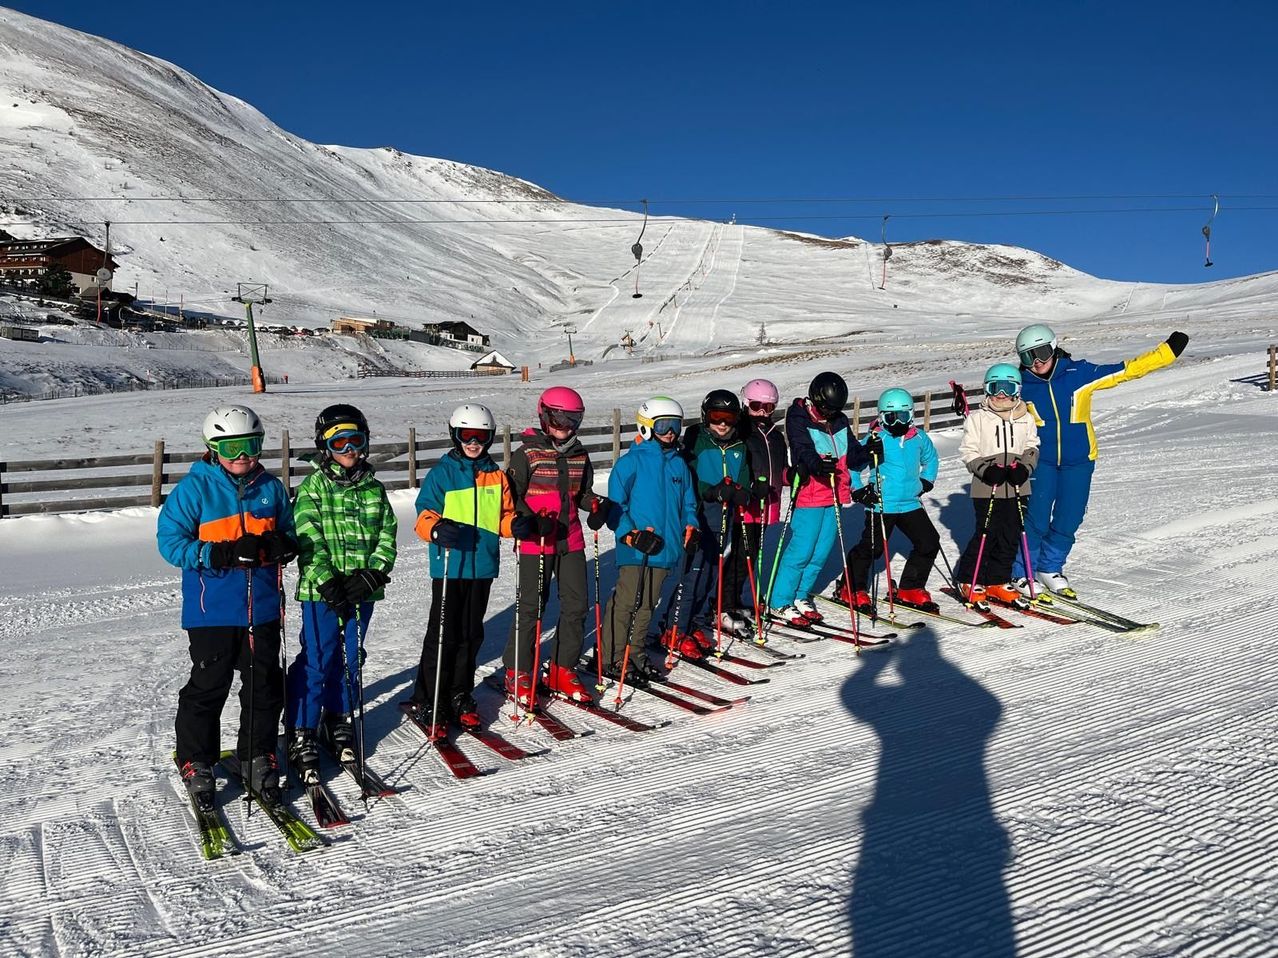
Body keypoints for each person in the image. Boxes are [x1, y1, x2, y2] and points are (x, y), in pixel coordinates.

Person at [157, 404, 297, 809]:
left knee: (265, 685)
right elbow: (170, 544)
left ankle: (257, 754)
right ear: (213, 447)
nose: (242, 456)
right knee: (208, 685)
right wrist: (220, 555)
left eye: (251, 445)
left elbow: (289, 532)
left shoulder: (270, 488)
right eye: (233, 447)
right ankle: (196, 760)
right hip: (211, 610)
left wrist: (281, 546)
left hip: (264, 608)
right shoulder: (194, 489)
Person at [1011, 324, 1188, 597]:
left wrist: (1167, 353)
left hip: (1079, 460)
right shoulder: (1021, 386)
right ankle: (1023, 572)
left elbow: (1126, 370)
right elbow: (996, 410)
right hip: (1040, 462)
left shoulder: (1078, 373)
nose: (1037, 362)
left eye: (1042, 352)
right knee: (1035, 519)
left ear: (1054, 347)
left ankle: (1050, 567)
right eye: (1028, 356)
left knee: (1070, 516)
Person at [285, 404, 397, 783]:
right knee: (319, 657)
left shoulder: (373, 489)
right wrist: (325, 580)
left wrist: (373, 573)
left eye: (356, 440)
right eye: (339, 441)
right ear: (324, 446)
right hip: (322, 593)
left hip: (360, 592)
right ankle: (301, 728)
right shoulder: (313, 488)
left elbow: (387, 535)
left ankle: (338, 717)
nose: (349, 448)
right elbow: (306, 537)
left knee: (351, 656)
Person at [404, 404, 525, 732]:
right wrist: (436, 528)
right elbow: (423, 513)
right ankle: (431, 698)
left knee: (471, 634)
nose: (474, 442)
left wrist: (517, 526)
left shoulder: (496, 476)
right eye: (466, 435)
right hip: (449, 566)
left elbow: (503, 516)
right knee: (443, 635)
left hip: (482, 566)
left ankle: (459, 693)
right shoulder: (442, 473)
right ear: (454, 436)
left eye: (481, 436)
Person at [501, 386, 611, 706]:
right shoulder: (527, 455)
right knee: (532, 607)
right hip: (538, 541)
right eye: (559, 417)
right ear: (544, 414)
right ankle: (518, 670)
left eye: (572, 419)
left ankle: (562, 667)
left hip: (571, 539)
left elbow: (583, 494)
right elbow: (512, 497)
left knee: (577, 606)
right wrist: (530, 521)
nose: (565, 425)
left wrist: (596, 506)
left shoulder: (579, 454)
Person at [599, 397, 700, 686]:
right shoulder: (630, 463)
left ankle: (636, 653)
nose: (671, 432)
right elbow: (615, 508)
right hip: (637, 548)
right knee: (627, 602)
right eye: (664, 426)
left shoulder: (679, 465)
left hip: (665, 549)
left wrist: (690, 526)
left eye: (676, 426)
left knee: (647, 605)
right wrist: (631, 534)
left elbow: (688, 505)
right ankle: (612, 657)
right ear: (646, 427)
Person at [768, 372, 874, 626]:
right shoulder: (798, 417)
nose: (829, 413)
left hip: (835, 493)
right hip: (810, 492)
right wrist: (817, 466)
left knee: (821, 552)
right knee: (801, 551)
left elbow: (852, 455)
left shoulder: (838, 420)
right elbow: (801, 448)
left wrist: (869, 451)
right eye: (826, 408)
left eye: (834, 409)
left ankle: (801, 595)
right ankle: (779, 600)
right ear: (815, 399)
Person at [836, 387, 941, 613]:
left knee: (929, 542)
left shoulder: (919, 438)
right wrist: (859, 490)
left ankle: (911, 587)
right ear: (881, 417)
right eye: (890, 418)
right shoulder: (876, 439)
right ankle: (851, 587)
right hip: (881, 504)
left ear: (911, 415)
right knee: (871, 549)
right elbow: (853, 466)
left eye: (902, 417)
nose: (896, 423)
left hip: (910, 503)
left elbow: (931, 460)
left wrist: (926, 481)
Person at [954, 364, 1040, 604]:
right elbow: (968, 450)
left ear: (1017, 390)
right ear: (986, 390)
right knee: (986, 533)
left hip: (1016, 485)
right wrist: (985, 469)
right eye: (995, 388)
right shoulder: (977, 419)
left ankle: (997, 580)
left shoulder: (1026, 418)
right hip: (987, 486)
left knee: (1010, 534)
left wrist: (1024, 468)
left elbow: (1032, 446)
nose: (1000, 394)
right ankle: (970, 579)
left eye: (1006, 388)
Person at [682, 389, 753, 638]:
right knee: (693, 577)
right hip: (701, 515)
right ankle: (676, 628)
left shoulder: (738, 446)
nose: (722, 424)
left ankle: (696, 621)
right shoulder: (696, 441)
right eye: (716, 417)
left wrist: (743, 491)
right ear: (705, 416)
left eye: (729, 418)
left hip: (724, 518)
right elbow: (688, 477)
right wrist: (711, 492)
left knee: (712, 575)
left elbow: (743, 476)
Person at [740, 378, 788, 618]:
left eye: (768, 407)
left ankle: (743, 599)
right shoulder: (742, 433)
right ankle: (727, 602)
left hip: (768, 505)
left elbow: (783, 472)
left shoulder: (776, 437)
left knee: (753, 555)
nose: (762, 411)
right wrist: (750, 486)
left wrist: (794, 473)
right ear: (746, 403)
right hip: (748, 507)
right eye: (756, 405)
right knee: (741, 559)